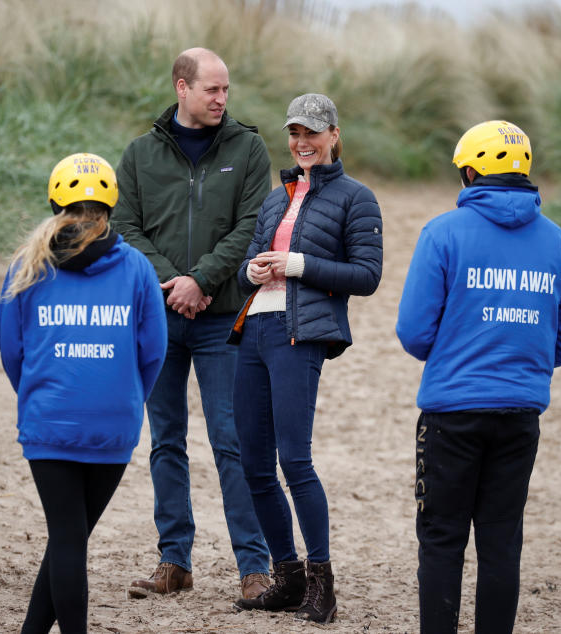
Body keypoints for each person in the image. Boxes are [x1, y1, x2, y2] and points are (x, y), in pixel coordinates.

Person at [395, 120, 561, 633]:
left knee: (442, 537)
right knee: (502, 541)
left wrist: (463, 349)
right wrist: (519, 361)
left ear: (470, 171)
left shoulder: (442, 233)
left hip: (451, 415)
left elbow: (414, 333)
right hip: (521, 414)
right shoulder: (559, 242)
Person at [110, 47, 273, 601]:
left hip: (222, 319)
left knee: (234, 441)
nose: (222, 100)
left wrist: (200, 280)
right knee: (166, 442)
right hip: (159, 318)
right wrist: (172, 284)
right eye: (212, 90)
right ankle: (173, 561)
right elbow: (126, 227)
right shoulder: (138, 155)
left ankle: (254, 568)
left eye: (226, 90)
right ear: (182, 87)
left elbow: (254, 226)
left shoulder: (248, 149)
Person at [228, 93, 384, 624]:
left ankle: (323, 583)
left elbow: (366, 276)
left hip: (300, 336)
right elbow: (251, 256)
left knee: (294, 460)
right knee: (254, 465)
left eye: (313, 133)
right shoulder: (276, 198)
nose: (302, 143)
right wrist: (252, 270)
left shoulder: (357, 198)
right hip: (253, 332)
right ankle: (288, 577)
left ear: (335, 134)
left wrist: (297, 263)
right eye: (295, 133)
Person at [0, 153, 167, 633]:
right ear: (112, 203)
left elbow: (12, 348)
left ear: (55, 201)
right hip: (112, 422)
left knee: (67, 539)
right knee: (68, 539)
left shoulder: (28, 264)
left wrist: (36, 393)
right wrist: (127, 397)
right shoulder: (136, 267)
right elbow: (153, 352)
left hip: (50, 417)